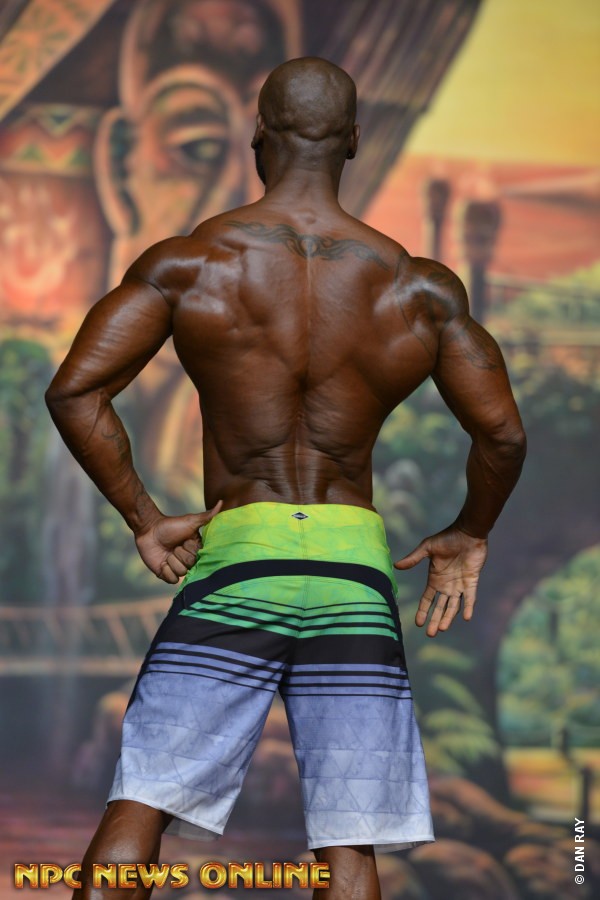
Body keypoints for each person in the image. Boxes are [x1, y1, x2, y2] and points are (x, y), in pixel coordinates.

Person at [45, 57, 527, 900]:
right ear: (354, 141)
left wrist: (145, 516)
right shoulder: (418, 288)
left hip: (244, 553)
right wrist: (468, 530)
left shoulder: (191, 263)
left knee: (143, 804)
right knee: (349, 844)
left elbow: (75, 391)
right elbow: (502, 433)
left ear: (258, 136)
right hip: (352, 570)